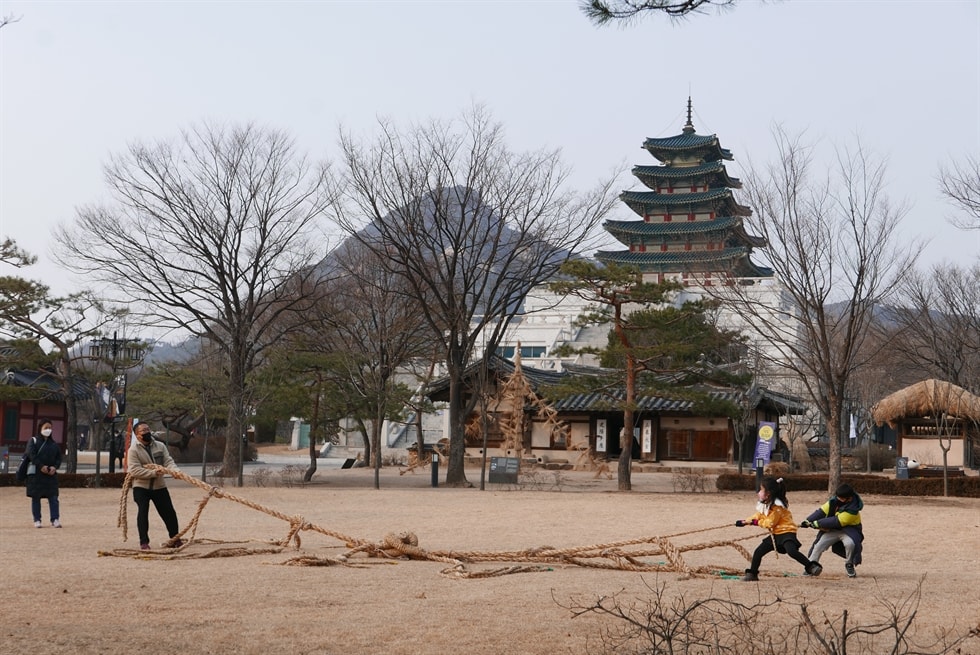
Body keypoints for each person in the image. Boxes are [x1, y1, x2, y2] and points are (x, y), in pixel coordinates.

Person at [735, 476, 822, 581]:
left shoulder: (777, 507)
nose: (759, 492)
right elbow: (758, 515)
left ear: (768, 493)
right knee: (758, 552)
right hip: (776, 534)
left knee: (792, 551)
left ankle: (811, 566)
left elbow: (771, 523)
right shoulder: (767, 505)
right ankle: (752, 574)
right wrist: (746, 521)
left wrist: (756, 523)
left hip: (787, 532)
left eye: (762, 489)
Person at [128, 422, 182, 551]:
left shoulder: (160, 446)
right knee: (143, 511)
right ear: (137, 435)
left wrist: (175, 471)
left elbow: (168, 461)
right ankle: (144, 542)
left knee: (169, 512)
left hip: (159, 486)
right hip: (141, 487)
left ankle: (175, 539)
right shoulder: (133, 450)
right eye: (143, 431)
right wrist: (153, 473)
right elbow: (134, 470)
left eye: (148, 429)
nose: (147, 432)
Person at [801, 483, 864, 578]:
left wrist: (816, 524)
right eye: (838, 497)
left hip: (849, 531)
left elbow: (836, 521)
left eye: (841, 498)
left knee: (850, 544)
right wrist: (808, 520)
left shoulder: (853, 510)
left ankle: (849, 564)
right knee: (818, 546)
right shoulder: (834, 501)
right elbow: (821, 511)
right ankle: (811, 566)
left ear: (849, 498)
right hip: (833, 530)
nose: (838, 499)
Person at [26, 420, 62, 528]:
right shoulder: (33, 441)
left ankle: (55, 519)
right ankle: (37, 519)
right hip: (36, 474)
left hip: (50, 475)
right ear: (40, 428)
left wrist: (55, 467)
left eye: (50, 428)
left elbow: (58, 458)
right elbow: (31, 455)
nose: (48, 430)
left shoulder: (54, 445)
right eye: (46, 427)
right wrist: (41, 466)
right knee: (36, 498)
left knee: (54, 498)